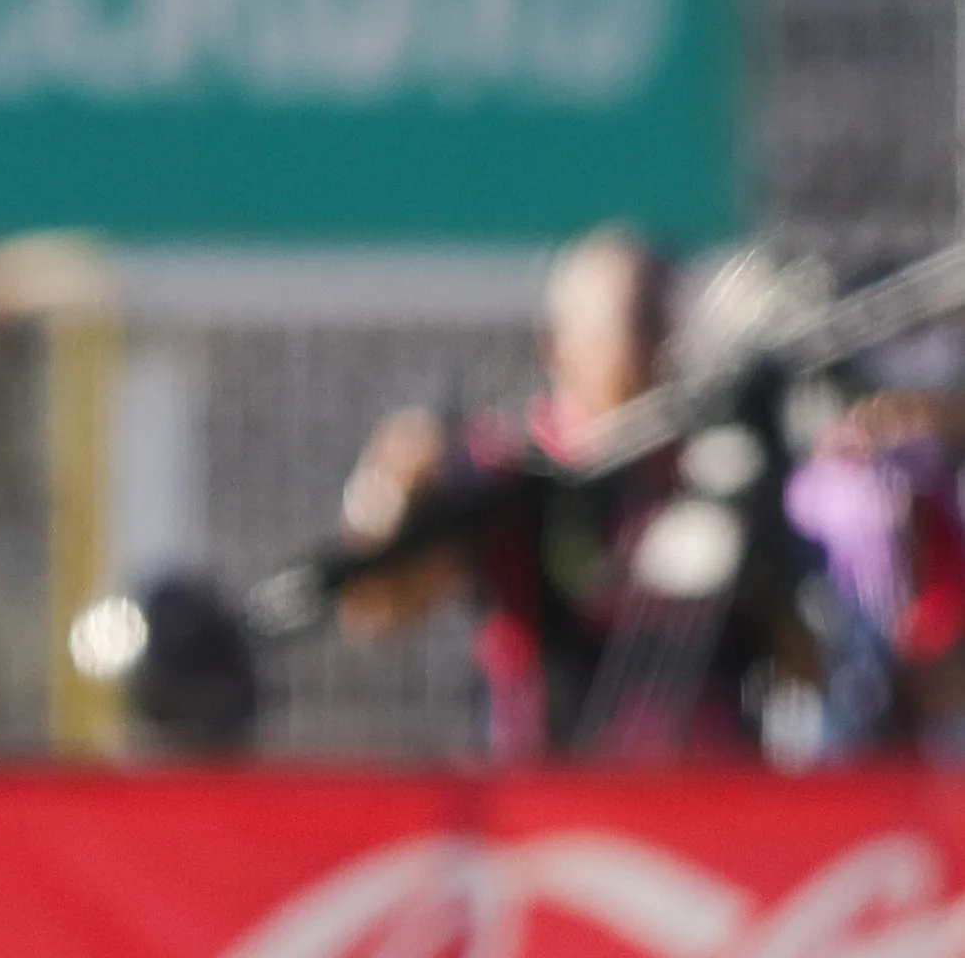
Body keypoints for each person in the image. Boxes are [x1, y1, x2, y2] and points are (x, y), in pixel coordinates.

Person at [340, 223, 805, 759]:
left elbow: (804, 662)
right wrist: (392, 493)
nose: (662, 350)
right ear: (559, 346)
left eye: (669, 323)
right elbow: (373, 604)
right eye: (637, 324)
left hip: (716, 808)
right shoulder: (513, 470)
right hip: (561, 818)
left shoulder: (722, 464)